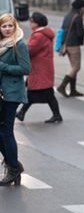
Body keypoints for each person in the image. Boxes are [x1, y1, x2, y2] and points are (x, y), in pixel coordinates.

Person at [16, 12, 63, 123]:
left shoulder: (39, 36)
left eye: (31, 21)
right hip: (42, 69)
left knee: (35, 93)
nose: (29, 23)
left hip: (39, 69)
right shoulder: (42, 34)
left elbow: (29, 50)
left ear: (37, 23)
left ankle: (22, 113)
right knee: (44, 94)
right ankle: (56, 115)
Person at [0, 13, 30, 186]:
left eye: (10, 26)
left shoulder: (18, 44)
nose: (7, 29)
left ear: (15, 26)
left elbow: (26, 68)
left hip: (12, 93)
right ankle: (14, 165)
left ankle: (13, 168)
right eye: (4, 26)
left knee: (6, 131)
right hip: (2, 93)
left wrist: (3, 66)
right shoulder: (1, 45)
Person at [57, 0, 84, 97]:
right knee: (76, 67)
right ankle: (62, 86)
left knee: (73, 67)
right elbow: (80, 33)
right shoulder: (78, 17)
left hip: (66, 44)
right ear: (82, 8)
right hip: (74, 45)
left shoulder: (68, 15)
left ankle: (73, 90)